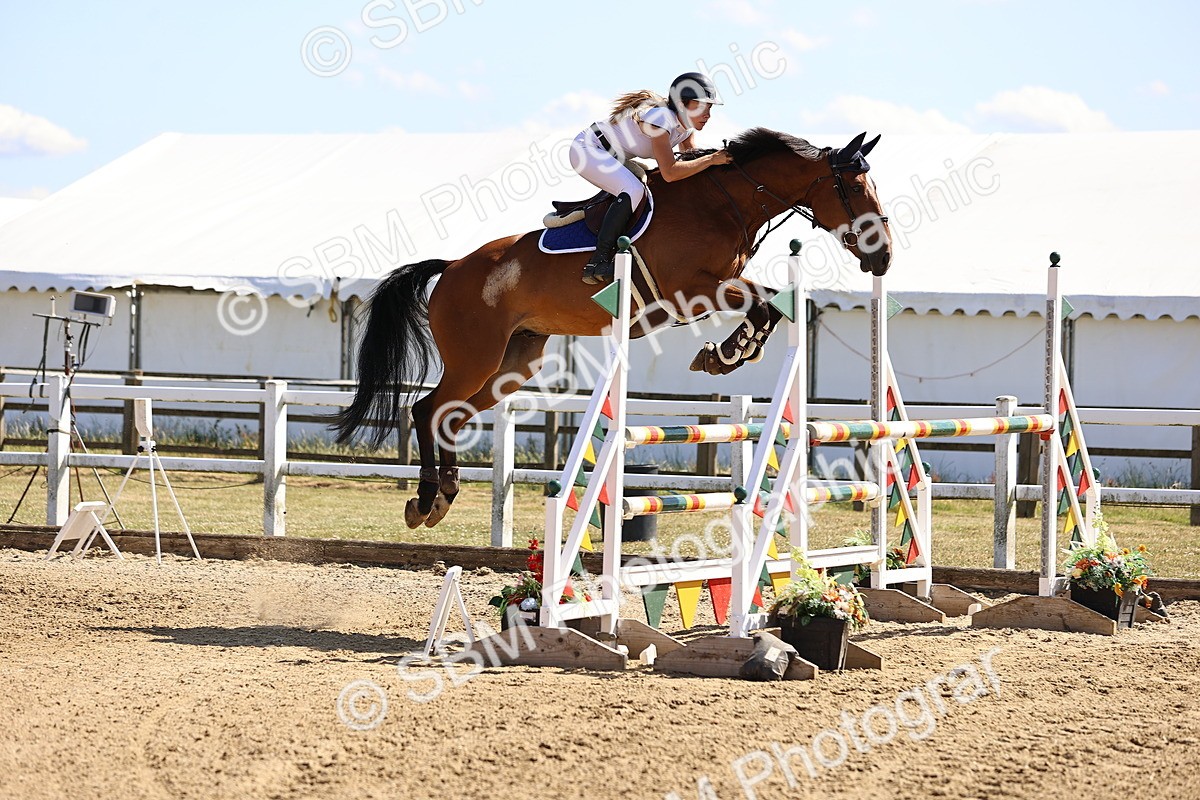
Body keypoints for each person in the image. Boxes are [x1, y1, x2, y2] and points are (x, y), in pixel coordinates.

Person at [569, 72, 733, 284]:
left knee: (639, 188)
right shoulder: (661, 120)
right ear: (682, 104)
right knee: (633, 190)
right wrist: (712, 160)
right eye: (702, 107)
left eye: (710, 108)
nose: (708, 114)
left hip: (612, 156)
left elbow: (691, 160)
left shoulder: (685, 128)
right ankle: (597, 261)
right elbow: (671, 172)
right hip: (588, 149)